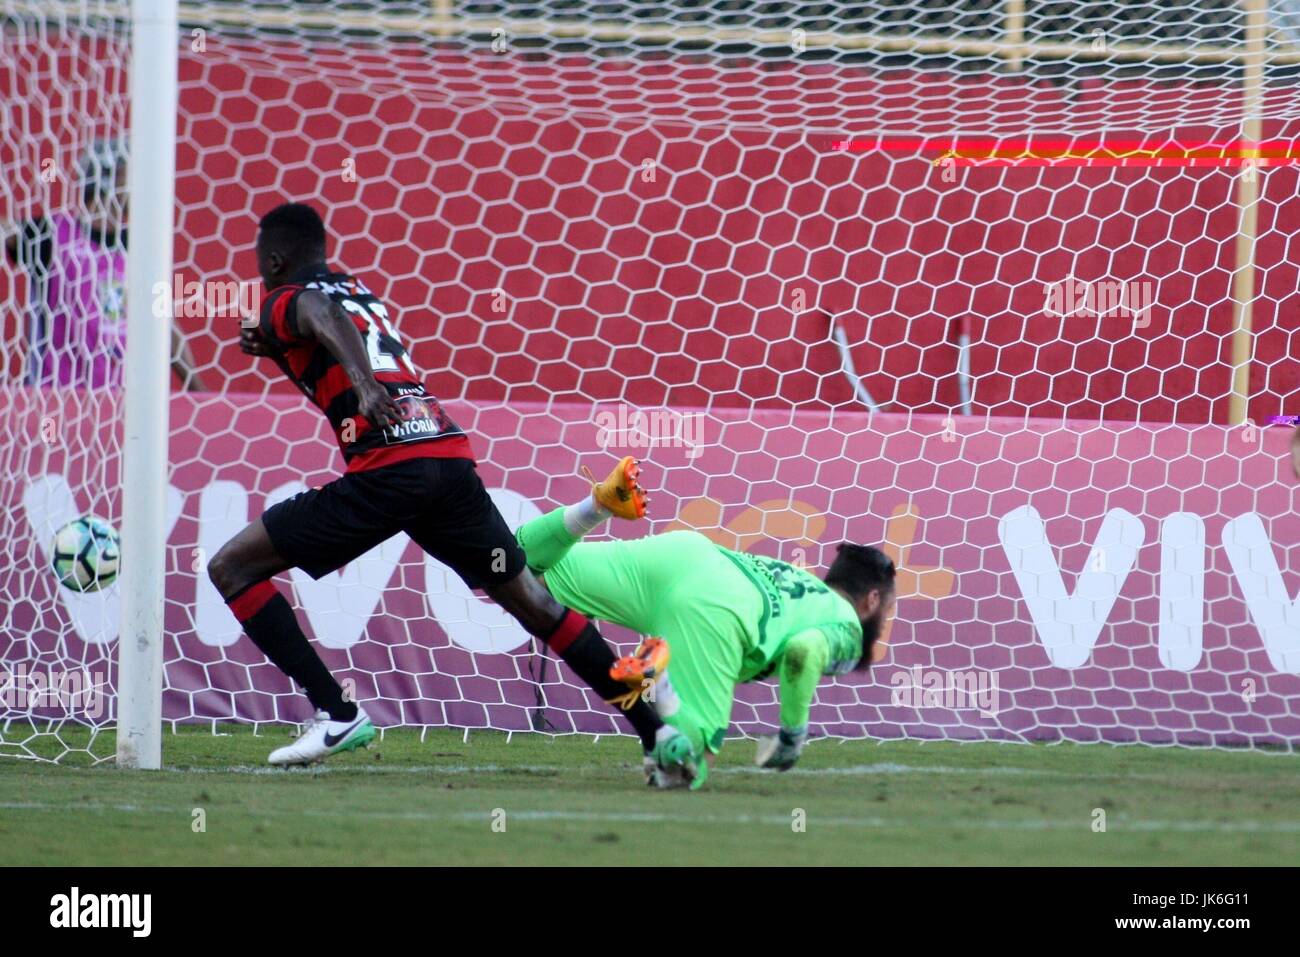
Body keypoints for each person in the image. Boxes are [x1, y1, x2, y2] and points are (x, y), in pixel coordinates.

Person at [206, 202, 690, 773]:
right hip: (447, 459)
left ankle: (336, 713)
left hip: (388, 469)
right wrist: (280, 344)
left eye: (263, 266)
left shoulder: (289, 297)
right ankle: (657, 735)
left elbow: (312, 312)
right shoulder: (356, 289)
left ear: (275, 258)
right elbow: (325, 321)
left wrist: (361, 385)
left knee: (231, 568)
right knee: (535, 604)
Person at [516, 460, 897, 789]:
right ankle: (659, 686)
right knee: (685, 769)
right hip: (716, 606)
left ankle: (598, 504)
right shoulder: (848, 625)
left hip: (686, 554)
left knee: (514, 567)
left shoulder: (806, 583)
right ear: (873, 600)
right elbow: (804, 650)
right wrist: (793, 734)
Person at [2, 138, 207, 390]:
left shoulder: (138, 248)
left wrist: (198, 390)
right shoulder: (51, 234)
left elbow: (163, 323)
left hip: (118, 407)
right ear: (109, 177)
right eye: (135, 175)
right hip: (54, 398)